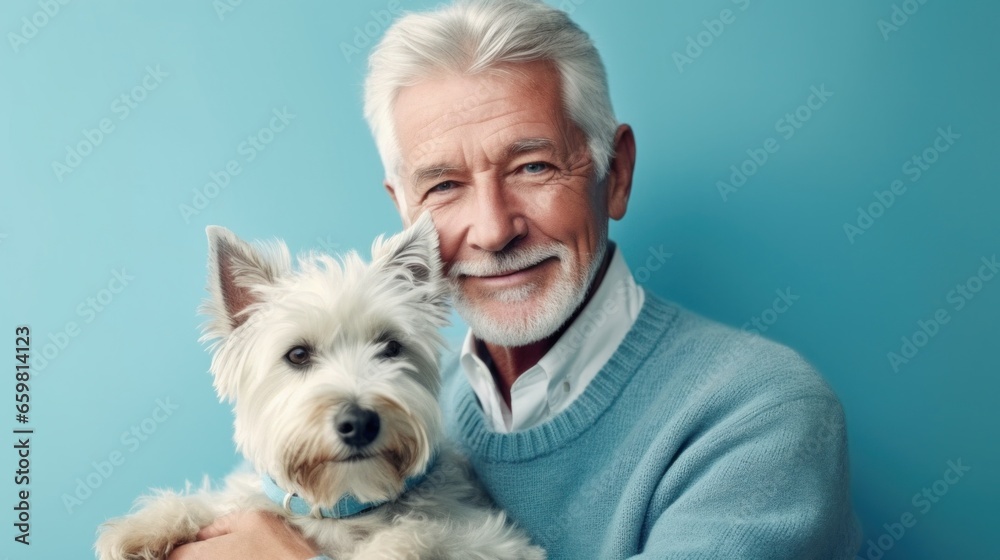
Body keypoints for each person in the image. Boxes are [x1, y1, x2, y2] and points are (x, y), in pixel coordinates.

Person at [170, 1, 861, 558]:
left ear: (614, 174)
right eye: (444, 184)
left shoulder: (759, 415)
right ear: (407, 215)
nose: (494, 229)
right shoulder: (407, 405)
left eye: (533, 167)